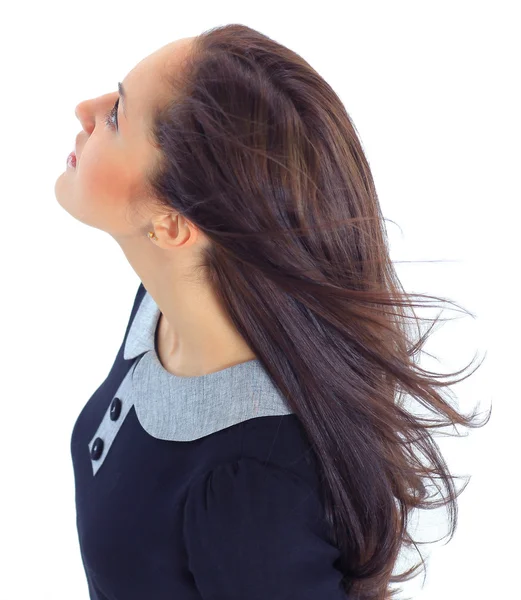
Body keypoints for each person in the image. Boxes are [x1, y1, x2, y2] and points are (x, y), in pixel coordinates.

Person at [54, 24, 489, 600]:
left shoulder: (254, 491)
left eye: (116, 117)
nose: (85, 109)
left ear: (173, 226)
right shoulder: (162, 307)